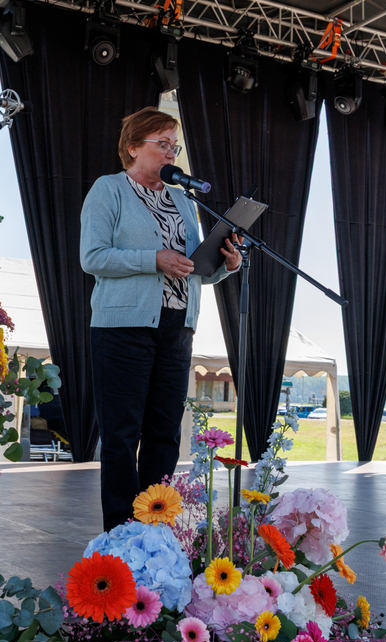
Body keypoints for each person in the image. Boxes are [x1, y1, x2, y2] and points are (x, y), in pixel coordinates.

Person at [81, 106, 242, 531]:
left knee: (166, 434)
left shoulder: (183, 200)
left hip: (177, 328)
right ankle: (120, 533)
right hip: (123, 329)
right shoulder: (109, 190)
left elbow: (193, 269)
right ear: (133, 147)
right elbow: (92, 257)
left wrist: (225, 264)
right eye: (163, 144)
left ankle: (154, 528)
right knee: (121, 435)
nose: (172, 153)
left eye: (175, 146)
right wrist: (153, 259)